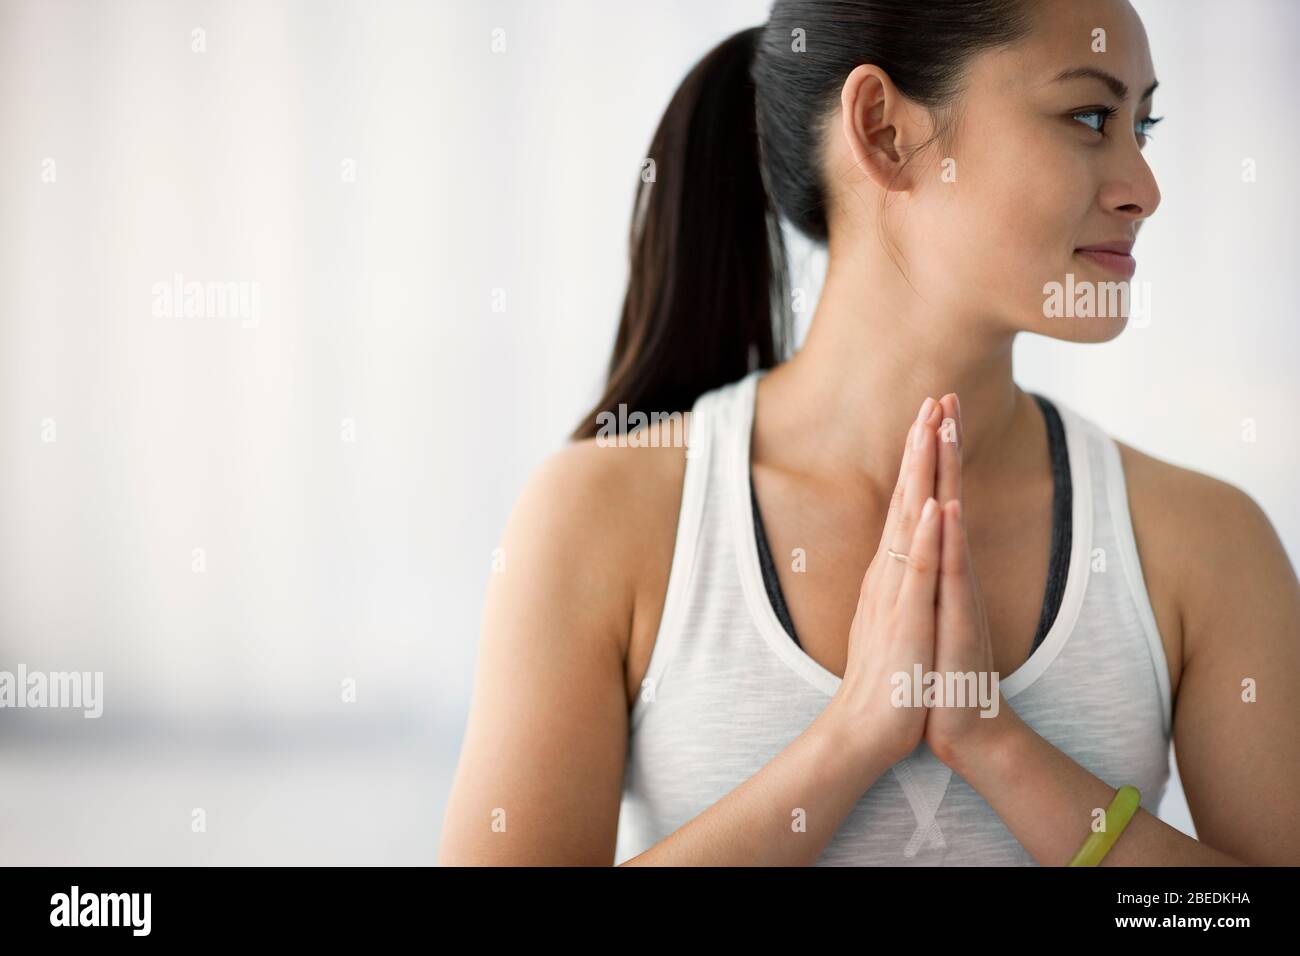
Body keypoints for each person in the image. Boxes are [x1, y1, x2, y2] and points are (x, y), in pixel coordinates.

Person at [438, 0, 1300, 865]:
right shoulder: (600, 516)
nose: (1144, 189)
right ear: (884, 131)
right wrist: (847, 741)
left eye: (1141, 126)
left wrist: (1004, 751)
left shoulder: (1209, 543)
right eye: (1089, 117)